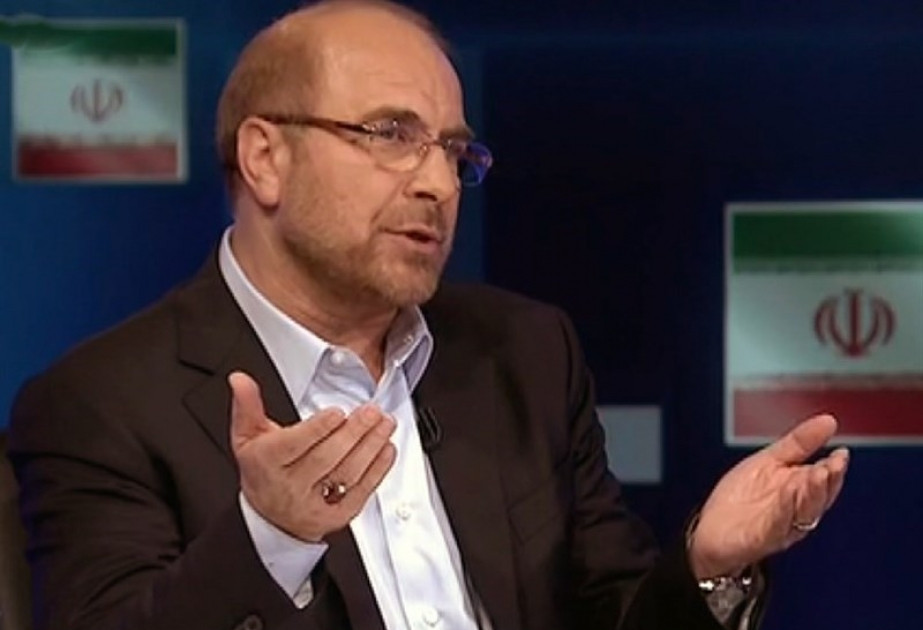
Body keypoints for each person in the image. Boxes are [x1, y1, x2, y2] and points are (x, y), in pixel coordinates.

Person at [7, 1, 849, 629]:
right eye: (390, 135)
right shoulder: (100, 404)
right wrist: (270, 538)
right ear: (265, 158)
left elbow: (612, 613)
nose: (438, 183)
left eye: (453, 151)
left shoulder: (525, 354)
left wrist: (706, 566)